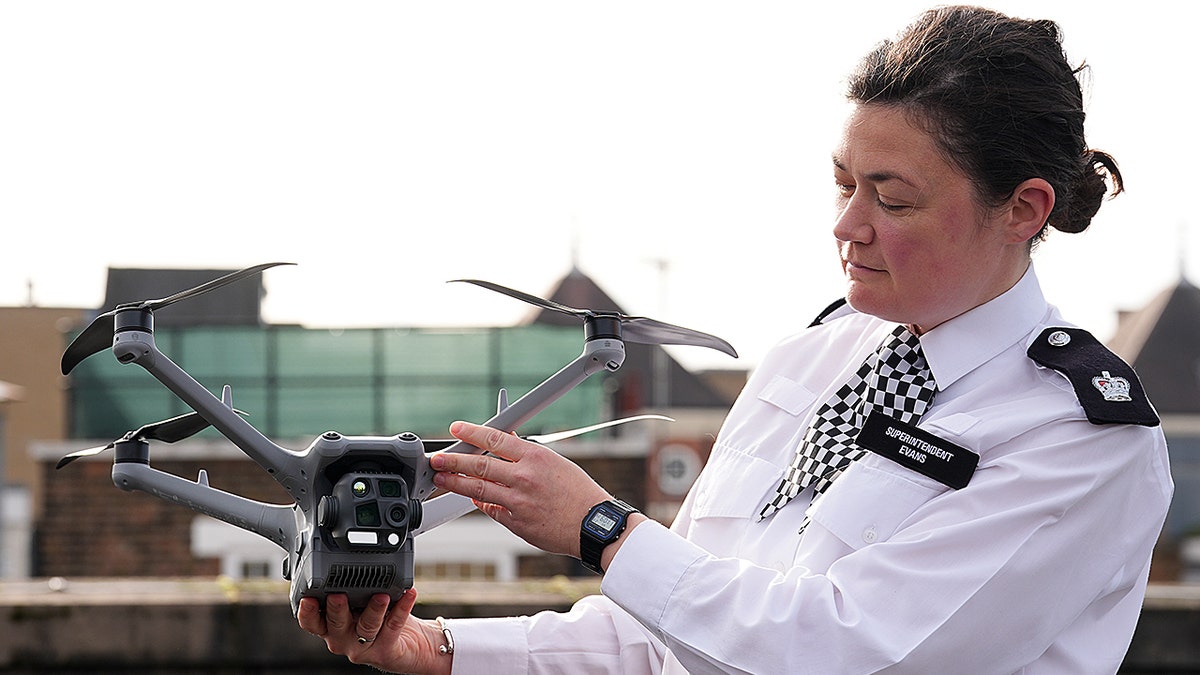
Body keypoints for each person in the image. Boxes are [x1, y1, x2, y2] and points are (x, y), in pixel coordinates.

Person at [298, 6, 1173, 673]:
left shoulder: (1080, 437)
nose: (848, 225)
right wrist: (438, 648)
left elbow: (846, 652)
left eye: (892, 198)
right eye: (842, 184)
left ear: (1023, 209)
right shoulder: (811, 360)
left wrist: (601, 527)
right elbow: (666, 632)